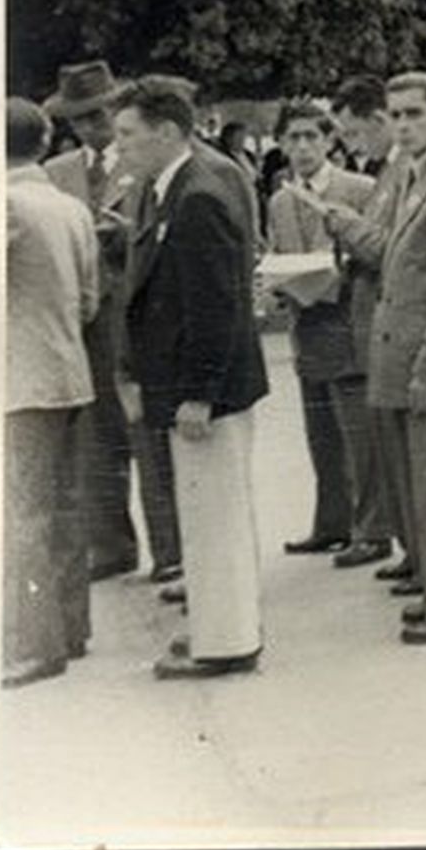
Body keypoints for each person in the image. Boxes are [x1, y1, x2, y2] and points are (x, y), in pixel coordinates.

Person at [317, 72, 426, 642]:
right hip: (408, 360)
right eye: (395, 116)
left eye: (415, 113)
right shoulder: (417, 176)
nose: (403, 125)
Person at [113, 76, 269, 679]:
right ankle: (222, 629)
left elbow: (216, 305)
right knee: (209, 515)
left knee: (216, 518)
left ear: (168, 132)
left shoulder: (197, 195)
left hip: (207, 392)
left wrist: (200, 392)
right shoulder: (170, 187)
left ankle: (226, 645)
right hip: (189, 387)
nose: (121, 145)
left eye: (130, 133)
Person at [41, 61, 176, 584]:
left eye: (98, 114)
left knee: (145, 427)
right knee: (98, 435)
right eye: (79, 119)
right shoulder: (58, 172)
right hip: (85, 316)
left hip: (134, 308)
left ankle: (169, 549)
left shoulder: (142, 160)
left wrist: (126, 235)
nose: (91, 127)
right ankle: (112, 545)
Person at [266, 101, 390, 565]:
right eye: (292, 138)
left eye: (310, 137)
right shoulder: (279, 199)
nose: (301, 147)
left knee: (361, 437)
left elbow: (378, 248)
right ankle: (332, 523)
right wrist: (277, 285)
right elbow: (280, 252)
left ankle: (374, 530)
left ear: (329, 140)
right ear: (280, 144)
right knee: (321, 436)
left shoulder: (359, 188)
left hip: (350, 322)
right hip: (308, 325)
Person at [3, 98, 99, 687]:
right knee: (64, 504)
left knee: (24, 513)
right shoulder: (69, 207)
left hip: (20, 380)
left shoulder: (2, 207)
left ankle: (37, 643)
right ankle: (70, 626)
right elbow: (89, 299)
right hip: (67, 369)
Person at [326, 75, 411, 576]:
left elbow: (390, 249)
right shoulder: (387, 172)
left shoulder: (400, 174)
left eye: (355, 134)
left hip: (389, 319)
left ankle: (414, 550)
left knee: (397, 447)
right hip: (370, 319)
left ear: (380, 120)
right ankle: (408, 546)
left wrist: (346, 225)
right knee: (386, 443)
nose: (352, 146)